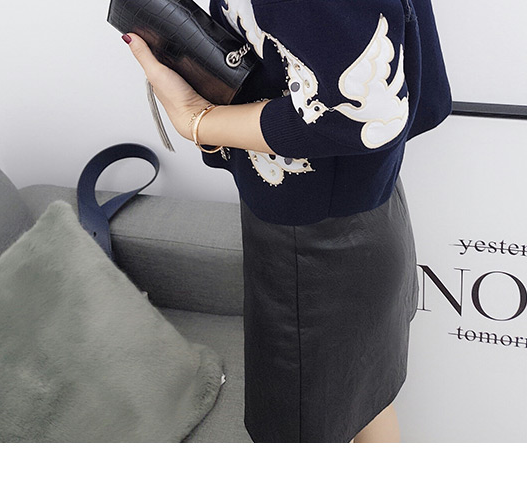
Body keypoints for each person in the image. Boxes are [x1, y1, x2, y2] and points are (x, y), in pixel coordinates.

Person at [122, 0, 452, 443]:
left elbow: (363, 114)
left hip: (313, 248)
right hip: (362, 210)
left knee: (310, 426)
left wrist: (197, 120)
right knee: (364, 402)